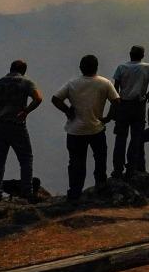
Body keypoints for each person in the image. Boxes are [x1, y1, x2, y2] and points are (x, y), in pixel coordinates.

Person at [50, 54, 119, 200]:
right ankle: (100, 188)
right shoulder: (104, 83)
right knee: (100, 159)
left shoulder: (72, 83)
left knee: (76, 162)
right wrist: (108, 118)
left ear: (81, 67)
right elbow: (116, 101)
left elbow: (55, 99)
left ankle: (75, 193)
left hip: (75, 131)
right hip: (96, 129)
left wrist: (68, 111)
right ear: (96, 67)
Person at [0, 59, 42, 201]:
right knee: (26, 159)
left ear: (10, 69)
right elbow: (38, 98)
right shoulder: (26, 82)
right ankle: (27, 191)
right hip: (17, 125)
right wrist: (26, 111)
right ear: (24, 71)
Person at [110, 45, 149, 178]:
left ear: (130, 54)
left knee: (120, 138)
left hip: (123, 105)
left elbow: (115, 90)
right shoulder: (148, 67)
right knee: (136, 138)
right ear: (142, 55)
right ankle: (131, 168)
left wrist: (114, 109)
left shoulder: (121, 68)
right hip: (139, 106)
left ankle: (117, 169)